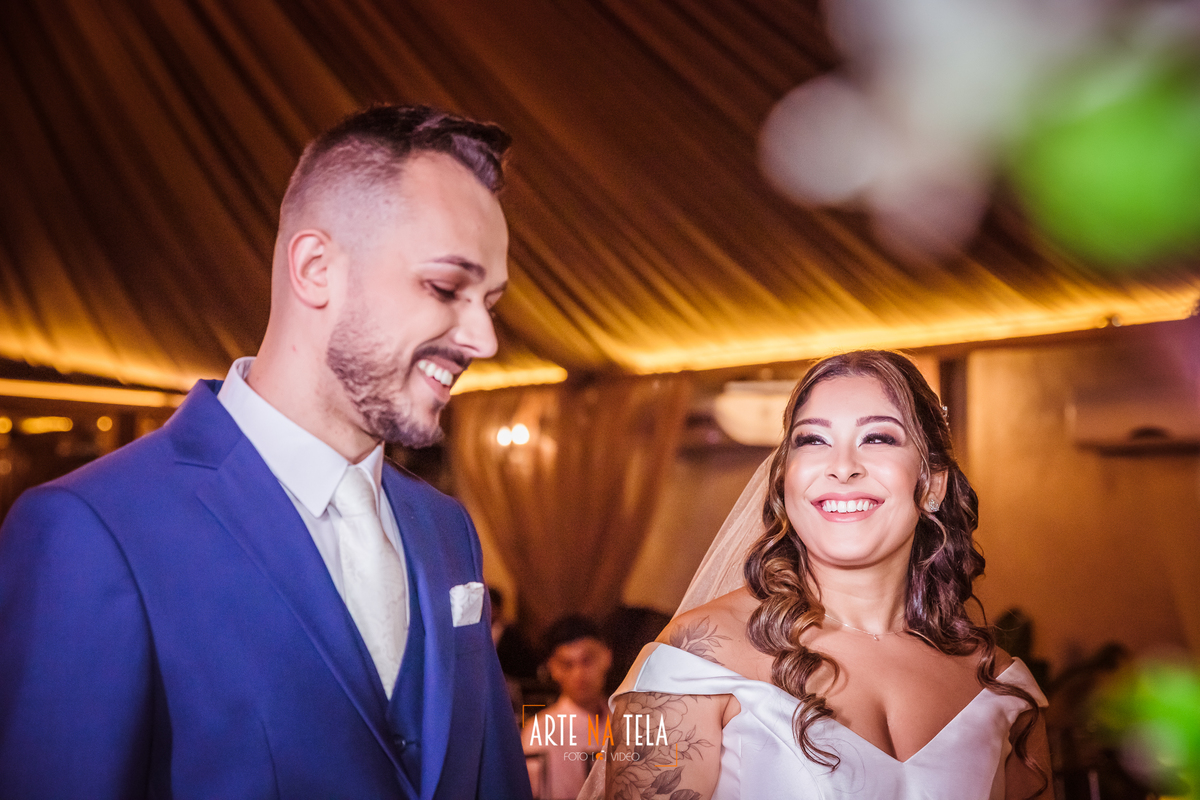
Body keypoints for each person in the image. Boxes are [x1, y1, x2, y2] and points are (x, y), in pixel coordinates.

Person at [0, 104, 532, 800]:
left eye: (490, 302)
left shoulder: (446, 528)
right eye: (445, 288)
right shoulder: (91, 529)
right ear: (315, 268)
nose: (484, 340)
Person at [588, 350, 1051, 800]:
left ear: (932, 483)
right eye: (813, 440)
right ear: (784, 479)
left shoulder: (1000, 684)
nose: (843, 467)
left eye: (878, 438)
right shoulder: (698, 654)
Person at [522, 616, 613, 800]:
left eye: (587, 660)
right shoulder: (541, 731)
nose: (579, 674)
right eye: (567, 664)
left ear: (606, 657)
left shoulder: (628, 720)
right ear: (553, 669)